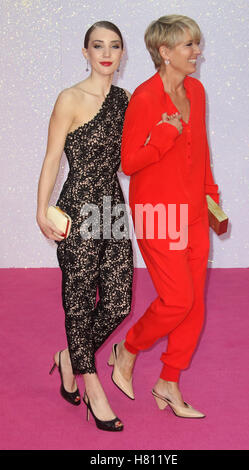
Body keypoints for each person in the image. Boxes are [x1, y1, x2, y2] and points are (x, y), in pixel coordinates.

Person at [108, 15, 219, 418]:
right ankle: (128, 348)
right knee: (177, 300)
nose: (196, 52)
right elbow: (128, 162)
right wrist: (164, 136)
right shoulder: (145, 98)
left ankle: (169, 381)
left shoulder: (197, 90)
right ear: (164, 52)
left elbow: (201, 149)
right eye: (188, 45)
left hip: (194, 212)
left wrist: (211, 196)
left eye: (197, 43)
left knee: (195, 305)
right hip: (158, 214)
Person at [37, 21, 133, 432]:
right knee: (78, 303)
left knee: (118, 302)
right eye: (98, 45)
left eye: (114, 46)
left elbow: (131, 160)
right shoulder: (69, 98)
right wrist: (41, 210)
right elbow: (52, 159)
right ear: (86, 52)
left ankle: (68, 358)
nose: (106, 53)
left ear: (121, 53)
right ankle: (92, 386)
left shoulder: (124, 100)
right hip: (78, 209)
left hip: (112, 210)